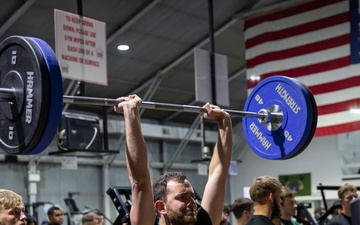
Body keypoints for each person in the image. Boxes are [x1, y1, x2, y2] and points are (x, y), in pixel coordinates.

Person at [114, 94, 232, 225]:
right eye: (182, 197)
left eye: (192, 197)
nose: (192, 203)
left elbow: (218, 173)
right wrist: (130, 112)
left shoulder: (202, 222)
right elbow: (139, 182)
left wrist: (224, 119)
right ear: (161, 207)